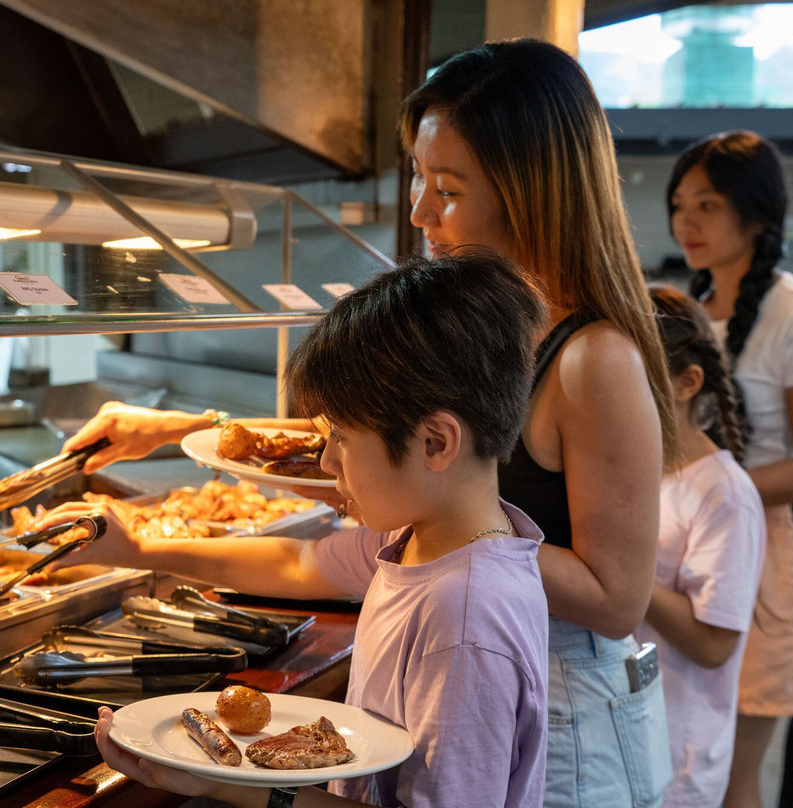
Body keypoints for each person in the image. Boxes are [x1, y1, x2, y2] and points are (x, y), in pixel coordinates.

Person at [60, 39, 678, 807]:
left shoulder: (592, 360)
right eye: (420, 178)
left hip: (565, 716)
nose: (420, 211)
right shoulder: (471, 351)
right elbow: (385, 452)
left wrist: (450, 533)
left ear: (532, 192)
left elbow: (617, 597)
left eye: (447, 188)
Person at [51, 250, 550, 807]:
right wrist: (140, 547)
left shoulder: (463, 616)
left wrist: (231, 787)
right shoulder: (421, 541)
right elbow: (300, 562)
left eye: (340, 436)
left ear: (435, 442)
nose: (328, 462)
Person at [665, 130, 793, 808]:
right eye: (680, 204)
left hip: (763, 556)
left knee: (733, 773)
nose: (687, 221)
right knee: (673, 759)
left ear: (757, 212)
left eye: (708, 205)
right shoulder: (681, 310)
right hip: (673, 546)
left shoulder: (788, 311)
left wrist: (718, 482)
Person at [637, 285, 765, 807]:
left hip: (678, 755)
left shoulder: (725, 493)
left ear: (687, 383)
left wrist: (615, 571)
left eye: (635, 376)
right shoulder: (642, 473)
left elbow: (715, 645)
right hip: (633, 731)